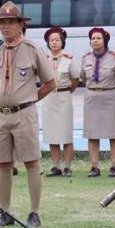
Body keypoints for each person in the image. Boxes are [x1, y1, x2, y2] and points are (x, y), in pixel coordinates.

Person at [0, 1, 56, 228]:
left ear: (21, 24)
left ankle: (34, 213)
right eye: (1, 23)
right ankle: (5, 213)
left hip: (24, 115)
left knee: (31, 163)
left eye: (10, 22)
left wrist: (29, 99)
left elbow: (50, 83)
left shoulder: (32, 50)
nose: (5, 27)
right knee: (2, 164)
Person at [81, 27, 115, 178]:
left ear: (105, 40)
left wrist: (113, 88)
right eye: (93, 38)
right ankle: (94, 166)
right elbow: (82, 77)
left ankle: (114, 166)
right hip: (92, 96)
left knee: (113, 133)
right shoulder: (86, 57)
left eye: (98, 38)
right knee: (92, 134)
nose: (95, 41)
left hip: (109, 96)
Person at [41, 27, 79, 178]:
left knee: (66, 134)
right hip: (49, 98)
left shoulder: (69, 59)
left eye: (57, 40)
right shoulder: (44, 59)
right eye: (51, 40)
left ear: (62, 42)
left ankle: (67, 167)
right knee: (52, 134)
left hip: (63, 97)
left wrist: (68, 91)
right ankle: (56, 166)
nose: (54, 43)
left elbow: (75, 79)